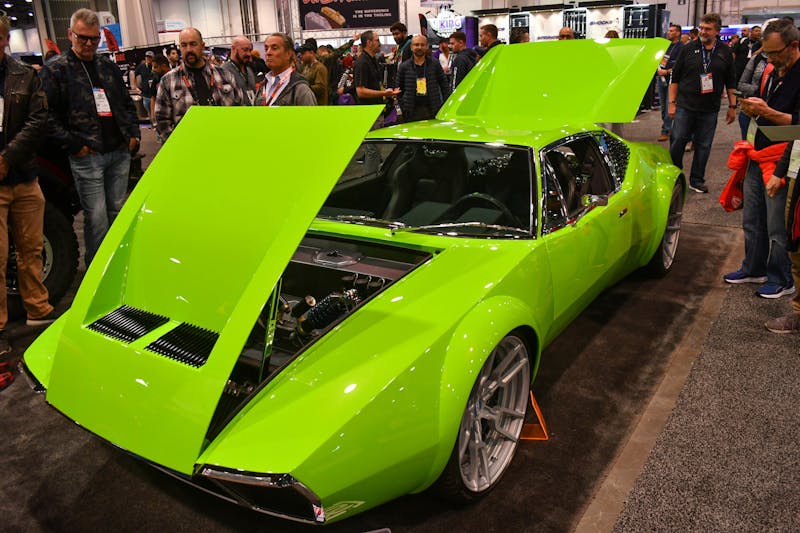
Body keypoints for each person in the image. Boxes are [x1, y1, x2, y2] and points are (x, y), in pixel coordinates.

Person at [39, 8, 141, 267]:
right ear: (70, 34)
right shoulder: (55, 70)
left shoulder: (107, 67)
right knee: (96, 218)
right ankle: (96, 270)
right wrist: (74, 145)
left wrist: (133, 134)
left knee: (117, 212)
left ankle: (117, 266)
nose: (88, 43)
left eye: (94, 39)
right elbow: (45, 115)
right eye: (82, 37)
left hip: (118, 151)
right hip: (87, 155)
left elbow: (126, 103)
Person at [724, 18, 800, 299]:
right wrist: (754, 109)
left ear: (793, 46)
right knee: (753, 217)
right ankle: (753, 267)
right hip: (757, 151)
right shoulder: (773, 70)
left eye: (775, 53)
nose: (770, 59)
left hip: (783, 159)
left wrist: (766, 112)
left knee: (777, 224)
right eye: (766, 53)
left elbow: (797, 124)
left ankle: (781, 278)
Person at [0, 14, 59, 354]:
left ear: (5, 39)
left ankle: (38, 308)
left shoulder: (25, 75)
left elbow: (39, 120)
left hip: (23, 176)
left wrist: (7, 157)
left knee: (31, 249)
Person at [668, 12, 737, 194]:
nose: (703, 31)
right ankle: (674, 176)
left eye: (708, 29)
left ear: (717, 31)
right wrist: (671, 103)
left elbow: (731, 81)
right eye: (702, 28)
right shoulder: (688, 49)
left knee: (704, 145)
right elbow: (675, 78)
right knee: (678, 140)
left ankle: (697, 180)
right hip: (685, 105)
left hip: (710, 108)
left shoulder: (724, 52)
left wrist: (732, 106)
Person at [154, 27, 243, 140]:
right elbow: (161, 120)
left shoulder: (225, 76)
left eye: (193, 44)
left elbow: (240, 110)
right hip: (188, 147)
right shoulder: (168, 81)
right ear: (180, 48)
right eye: (184, 45)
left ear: (202, 46)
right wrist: (178, 145)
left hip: (224, 142)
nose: (188, 49)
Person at [355, 30, 400, 171]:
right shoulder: (362, 62)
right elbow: (360, 91)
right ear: (369, 43)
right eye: (377, 40)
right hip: (369, 112)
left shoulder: (372, 60)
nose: (380, 43)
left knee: (375, 150)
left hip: (376, 111)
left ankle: (372, 175)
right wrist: (384, 93)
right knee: (372, 150)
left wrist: (386, 94)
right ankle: (370, 179)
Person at [396, 35, 450, 122]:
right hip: (411, 112)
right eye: (416, 45)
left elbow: (444, 86)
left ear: (427, 46)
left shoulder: (435, 64)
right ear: (411, 47)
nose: (419, 47)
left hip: (433, 110)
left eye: (422, 45)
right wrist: (404, 107)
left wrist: (444, 105)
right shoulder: (404, 66)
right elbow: (398, 90)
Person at [254, 33, 317, 106]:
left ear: (288, 53)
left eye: (274, 48)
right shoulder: (263, 85)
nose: (268, 53)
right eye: (266, 49)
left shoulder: (300, 89)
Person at [656, 23, 684, 142]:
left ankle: (666, 130)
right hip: (661, 78)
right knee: (663, 106)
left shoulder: (682, 47)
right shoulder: (665, 46)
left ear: (678, 33)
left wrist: (667, 71)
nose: (669, 32)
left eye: (672, 31)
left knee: (670, 104)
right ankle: (669, 128)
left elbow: (680, 65)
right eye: (669, 30)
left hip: (673, 80)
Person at [221, 35, 257, 105]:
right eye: (245, 50)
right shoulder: (223, 72)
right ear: (233, 49)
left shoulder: (249, 70)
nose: (249, 54)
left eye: (250, 50)